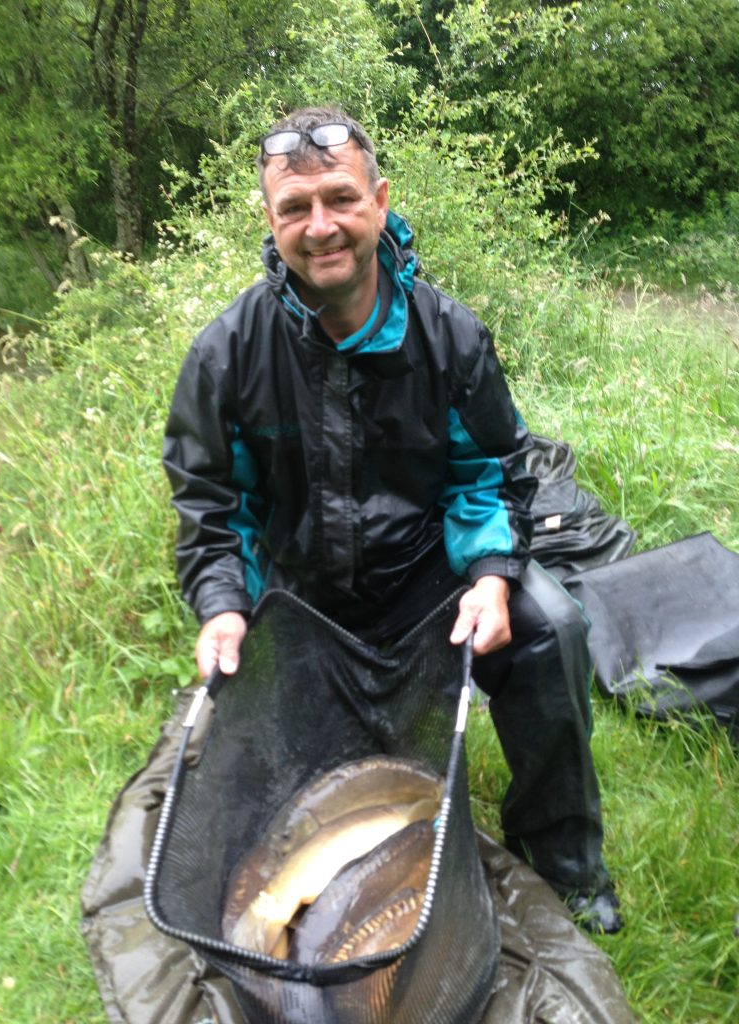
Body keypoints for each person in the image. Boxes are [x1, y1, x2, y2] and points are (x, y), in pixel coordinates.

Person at [162, 106, 622, 934]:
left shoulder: (449, 336)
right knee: (243, 755)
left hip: (425, 582)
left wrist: (487, 576)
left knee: (550, 623)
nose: (321, 226)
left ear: (378, 200)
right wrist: (225, 606)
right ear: (271, 222)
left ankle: (565, 869)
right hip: (300, 602)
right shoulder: (226, 353)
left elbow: (490, 471)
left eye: (339, 198)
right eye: (295, 208)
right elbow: (212, 506)